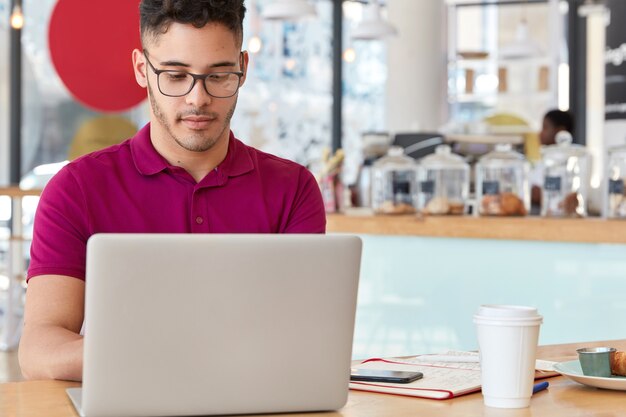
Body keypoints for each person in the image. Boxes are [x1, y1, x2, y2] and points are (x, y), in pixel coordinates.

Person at [19, 0, 325, 381]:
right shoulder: (75, 189)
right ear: (142, 69)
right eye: (176, 76)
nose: (198, 99)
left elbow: (305, 341)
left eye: (218, 76)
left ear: (243, 69)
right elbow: (38, 351)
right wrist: (165, 353)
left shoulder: (293, 189)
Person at [531, 109, 575, 206]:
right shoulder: (545, 156)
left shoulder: (567, 159)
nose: (540, 133)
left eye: (545, 128)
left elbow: (537, 194)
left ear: (560, 131)